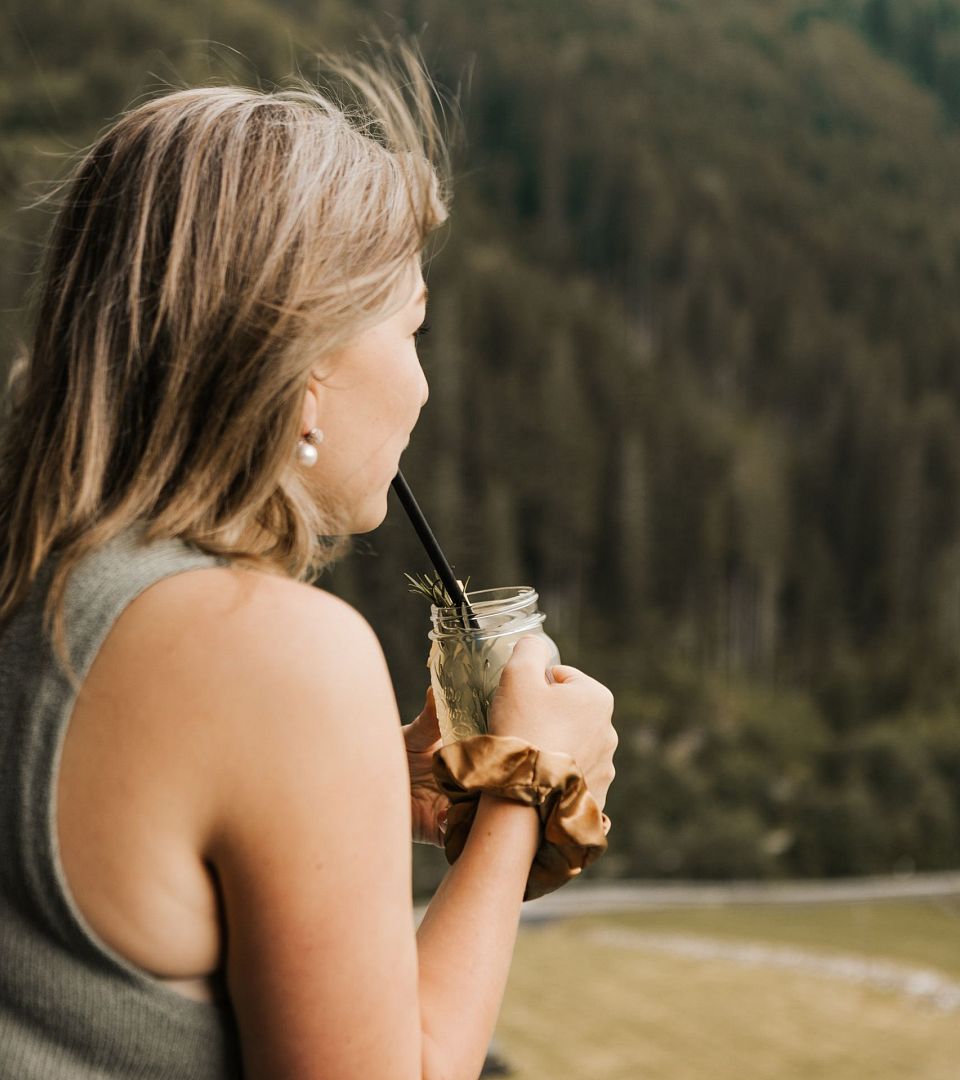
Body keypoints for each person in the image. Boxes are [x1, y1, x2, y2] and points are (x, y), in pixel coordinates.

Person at [0, 45, 617, 1080]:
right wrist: (524, 789)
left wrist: (364, 782)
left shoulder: (41, 584)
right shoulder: (270, 650)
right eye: (412, 329)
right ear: (306, 360)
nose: (422, 389)